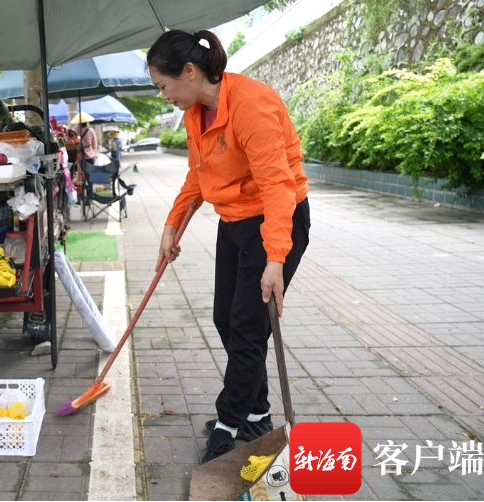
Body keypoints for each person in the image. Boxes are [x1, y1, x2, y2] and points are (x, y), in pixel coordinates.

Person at [148, 29, 311, 463]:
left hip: (276, 221)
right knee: (227, 319)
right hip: (235, 222)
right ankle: (257, 409)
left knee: (246, 326)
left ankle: (229, 421)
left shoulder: (250, 103)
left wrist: (277, 258)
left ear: (189, 71)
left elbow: (278, 186)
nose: (164, 96)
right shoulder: (195, 112)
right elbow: (198, 176)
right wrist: (172, 225)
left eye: (163, 86)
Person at [70, 111, 97, 179]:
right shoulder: (91, 130)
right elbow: (94, 145)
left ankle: (83, 188)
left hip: (79, 157)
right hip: (90, 157)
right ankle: (89, 188)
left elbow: (72, 141)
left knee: (79, 175)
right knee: (90, 176)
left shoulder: (75, 130)